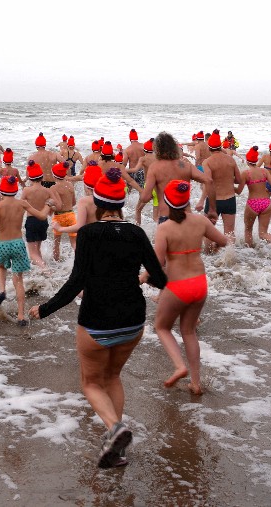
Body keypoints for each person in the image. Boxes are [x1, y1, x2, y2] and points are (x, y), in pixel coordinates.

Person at [29, 169, 168, 469]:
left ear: (98, 202)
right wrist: (139, 280)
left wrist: (46, 308)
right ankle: (116, 447)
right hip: (133, 321)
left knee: (91, 383)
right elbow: (159, 277)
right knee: (113, 377)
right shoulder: (137, 233)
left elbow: (75, 282)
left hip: (96, 321)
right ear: (121, 204)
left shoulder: (89, 234)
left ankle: (115, 430)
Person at [145, 179, 227, 395]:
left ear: (166, 202)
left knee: (162, 327)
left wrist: (142, 277)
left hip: (177, 286)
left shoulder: (165, 228)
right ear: (187, 200)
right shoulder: (200, 222)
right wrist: (215, 247)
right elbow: (224, 241)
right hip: (199, 284)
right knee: (189, 331)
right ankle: (196, 383)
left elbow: (157, 263)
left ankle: (179, 366)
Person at [0, 176, 51, 325]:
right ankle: (21, 316)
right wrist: (48, 204)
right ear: (16, 190)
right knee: (18, 280)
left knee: (2, 267)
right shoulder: (22, 203)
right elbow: (41, 216)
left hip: (3, 244)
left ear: (0, 191)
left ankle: (2, 291)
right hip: (17, 244)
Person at [138, 132, 215, 224]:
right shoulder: (186, 166)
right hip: (186, 216)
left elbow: (145, 197)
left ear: (157, 150)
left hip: (167, 218)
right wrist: (211, 208)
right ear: (174, 148)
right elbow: (209, 181)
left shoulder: (155, 168)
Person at [199, 132, 241, 243]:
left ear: (209, 148)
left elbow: (208, 182)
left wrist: (201, 201)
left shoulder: (207, 162)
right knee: (230, 233)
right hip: (230, 199)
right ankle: (230, 256)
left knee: (208, 231)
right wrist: (227, 179)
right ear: (220, 147)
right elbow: (238, 180)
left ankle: (209, 256)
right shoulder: (230, 160)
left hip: (214, 201)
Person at [22, 162, 62, 269]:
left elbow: (20, 206)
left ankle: (46, 270)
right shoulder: (47, 191)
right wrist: (49, 205)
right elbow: (58, 207)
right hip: (43, 222)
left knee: (32, 253)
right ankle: (40, 270)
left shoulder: (26, 190)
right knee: (38, 249)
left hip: (31, 221)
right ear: (42, 177)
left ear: (30, 178)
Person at [236, 147, 271, 247]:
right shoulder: (264, 171)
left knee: (248, 230)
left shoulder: (246, 173)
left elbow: (239, 191)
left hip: (253, 203)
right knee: (263, 233)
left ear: (247, 161)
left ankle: (250, 252)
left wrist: (229, 187)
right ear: (257, 160)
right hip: (266, 203)